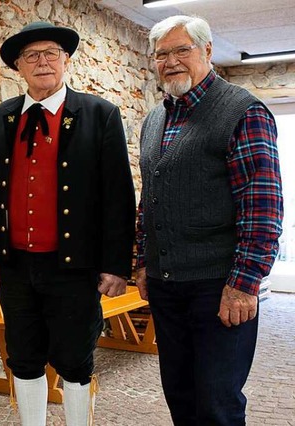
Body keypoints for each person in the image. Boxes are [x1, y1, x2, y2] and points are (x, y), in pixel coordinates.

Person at [0, 21, 136, 425]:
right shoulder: (2, 118)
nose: (42, 61)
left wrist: (117, 265)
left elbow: (119, 196)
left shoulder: (99, 114)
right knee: (24, 356)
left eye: (51, 53)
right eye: (32, 55)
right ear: (18, 66)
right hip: (15, 264)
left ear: (66, 60)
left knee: (75, 359)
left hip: (74, 265)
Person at [135, 15, 283, 426]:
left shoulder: (242, 111)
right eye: (161, 54)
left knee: (218, 403)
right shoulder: (154, 121)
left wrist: (244, 284)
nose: (171, 61)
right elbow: (151, 199)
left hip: (219, 286)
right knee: (180, 395)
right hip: (168, 286)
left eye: (182, 50)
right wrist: (144, 261)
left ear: (207, 52)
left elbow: (263, 207)